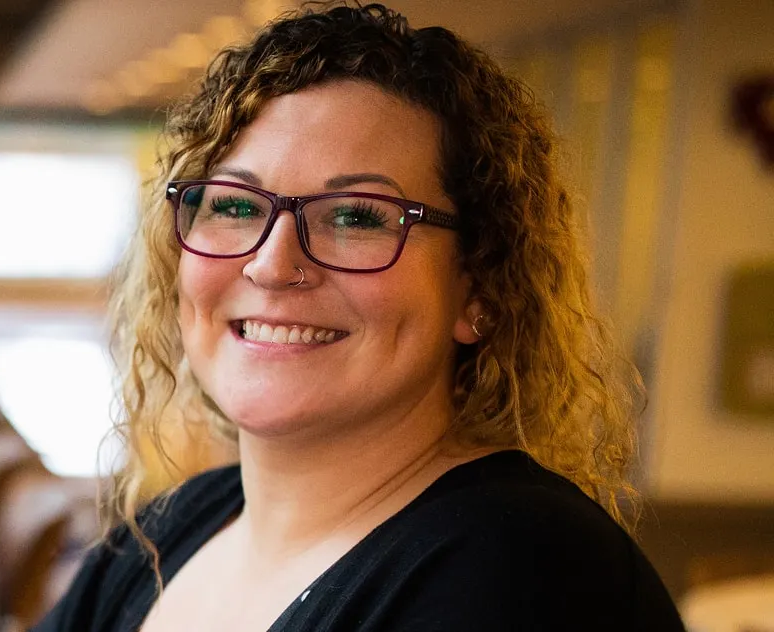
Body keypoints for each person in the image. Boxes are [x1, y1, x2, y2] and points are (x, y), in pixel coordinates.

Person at [34, 4, 685, 631]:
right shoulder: (169, 531)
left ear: (480, 288)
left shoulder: (525, 575)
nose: (272, 264)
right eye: (235, 206)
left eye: (355, 216)